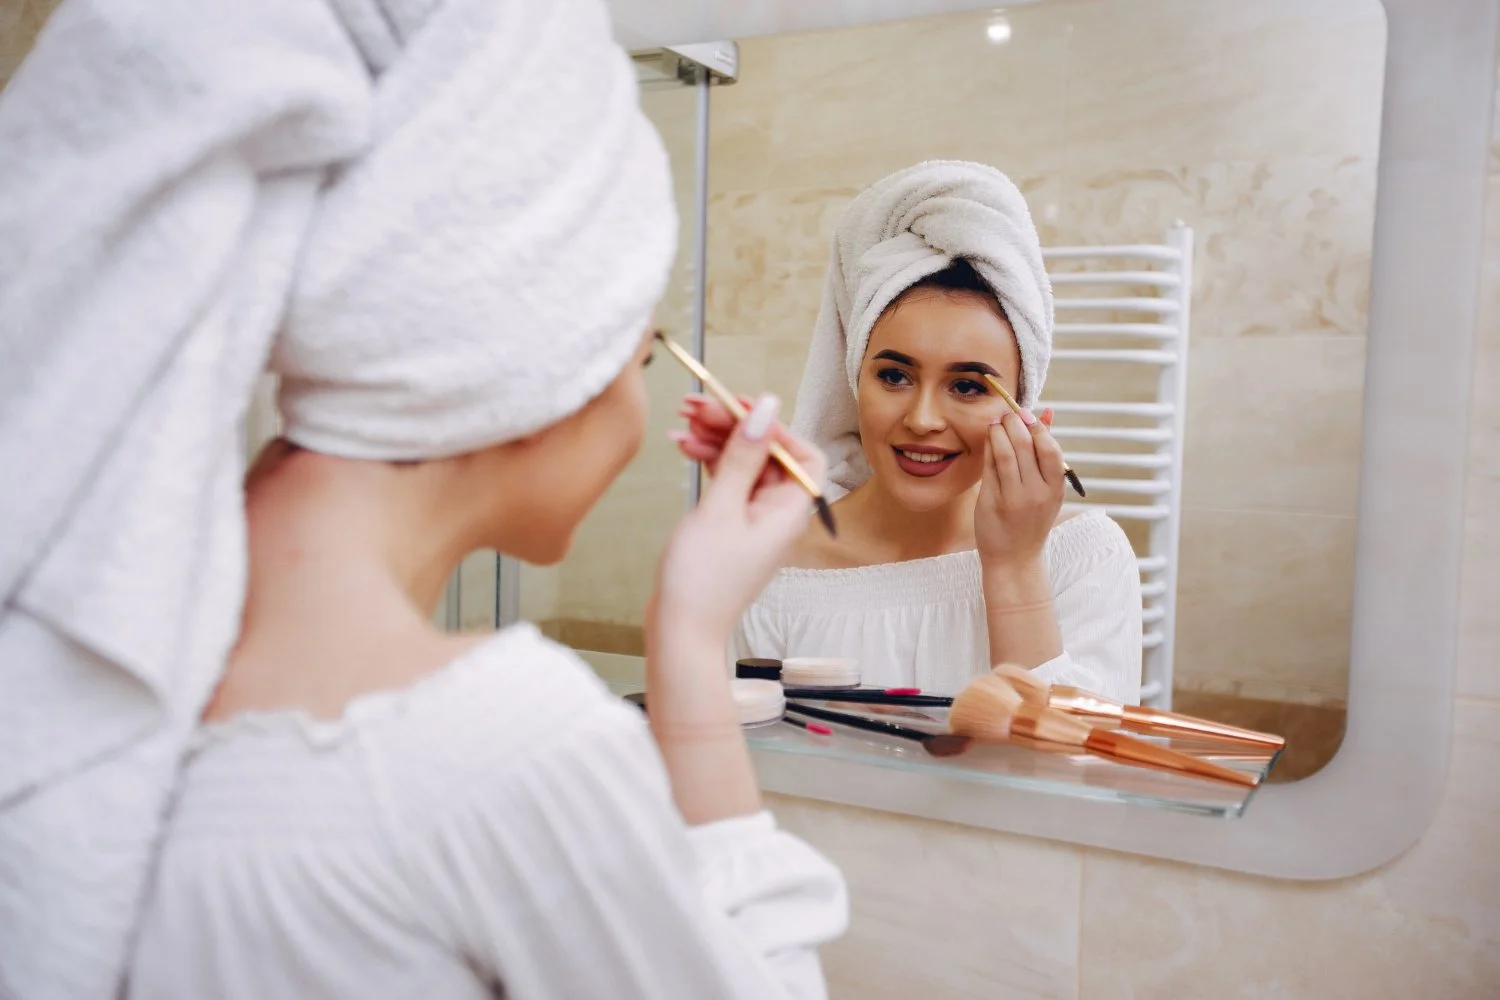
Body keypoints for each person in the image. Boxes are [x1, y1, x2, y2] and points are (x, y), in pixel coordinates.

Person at [0, 1, 845, 996]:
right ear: (537, 374)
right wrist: (692, 641)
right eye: (638, 349)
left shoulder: (95, 653)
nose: (638, 401)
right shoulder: (505, 753)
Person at [702, 162, 1142, 701]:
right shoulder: (773, 566)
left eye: (968, 387)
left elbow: (1077, 775)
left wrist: (1014, 565)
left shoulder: (1083, 558)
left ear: (1023, 406)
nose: (923, 419)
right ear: (852, 380)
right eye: (894, 376)